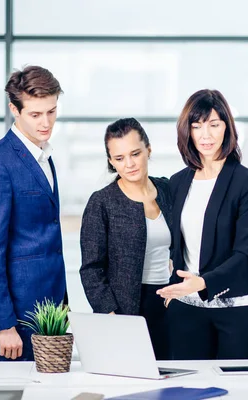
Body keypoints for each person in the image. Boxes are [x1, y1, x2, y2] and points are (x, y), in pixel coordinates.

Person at [156, 89, 248, 360]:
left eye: (214, 125)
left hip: (238, 310)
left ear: (227, 127)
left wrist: (203, 282)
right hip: (187, 310)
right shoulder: (177, 182)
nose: (205, 135)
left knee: (237, 390)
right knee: (189, 389)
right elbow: (176, 244)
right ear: (188, 132)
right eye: (196, 126)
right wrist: (177, 287)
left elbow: (245, 255)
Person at [0, 66, 66, 361]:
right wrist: (4, 324)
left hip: (54, 310)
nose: (46, 122)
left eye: (51, 111)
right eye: (35, 115)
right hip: (20, 316)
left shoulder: (43, 156)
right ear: (15, 109)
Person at [80, 118, 172, 360]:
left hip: (170, 304)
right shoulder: (102, 202)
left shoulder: (168, 191)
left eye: (135, 153)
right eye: (119, 158)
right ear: (111, 161)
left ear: (148, 150)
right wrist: (109, 314)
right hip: (125, 310)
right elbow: (91, 269)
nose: (129, 164)